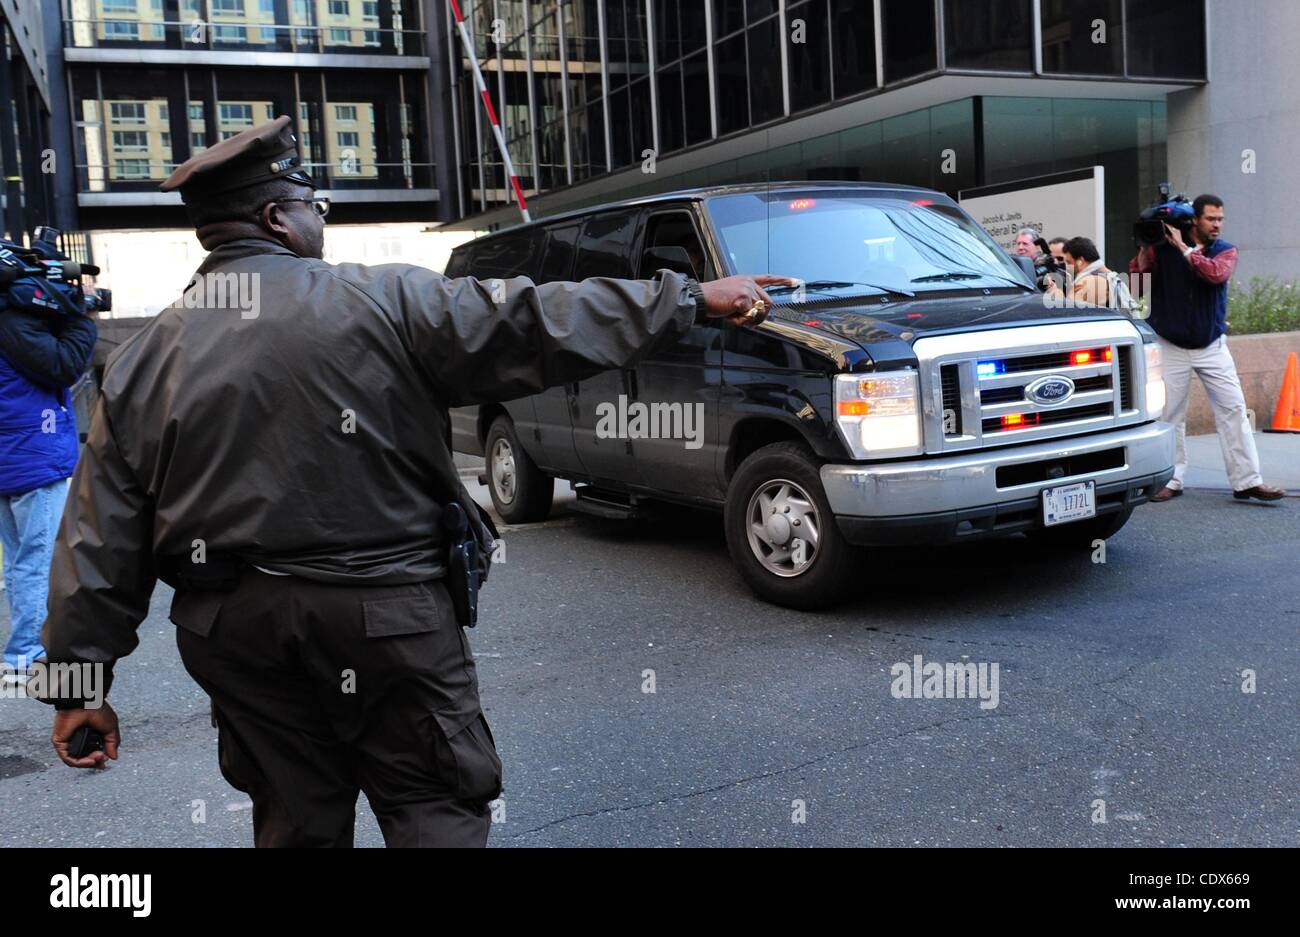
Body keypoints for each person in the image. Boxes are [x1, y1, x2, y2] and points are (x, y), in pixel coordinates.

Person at [30, 115, 796, 847]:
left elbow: (95, 540)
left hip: (237, 630)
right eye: (311, 206)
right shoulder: (384, 299)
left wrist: (76, 689)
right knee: (434, 802)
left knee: (294, 819)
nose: (318, 220)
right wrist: (690, 296)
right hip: (386, 612)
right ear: (276, 217)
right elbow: (537, 319)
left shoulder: (139, 363)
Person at [1130, 194, 1284, 502]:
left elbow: (1215, 274)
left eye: (1220, 219)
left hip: (1212, 345)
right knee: (1170, 414)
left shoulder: (1224, 250)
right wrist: (1148, 248)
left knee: (1234, 409)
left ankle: (1247, 481)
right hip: (1170, 343)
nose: (1217, 225)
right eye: (1211, 219)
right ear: (1194, 220)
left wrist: (1183, 248)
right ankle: (1171, 480)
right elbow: (1138, 287)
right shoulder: (1161, 250)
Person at [0, 254, 98, 684]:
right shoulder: (14, 324)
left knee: (20, 559)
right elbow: (64, 364)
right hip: (32, 458)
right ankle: (25, 655)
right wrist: (82, 315)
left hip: (14, 457)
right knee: (38, 559)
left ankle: (27, 648)